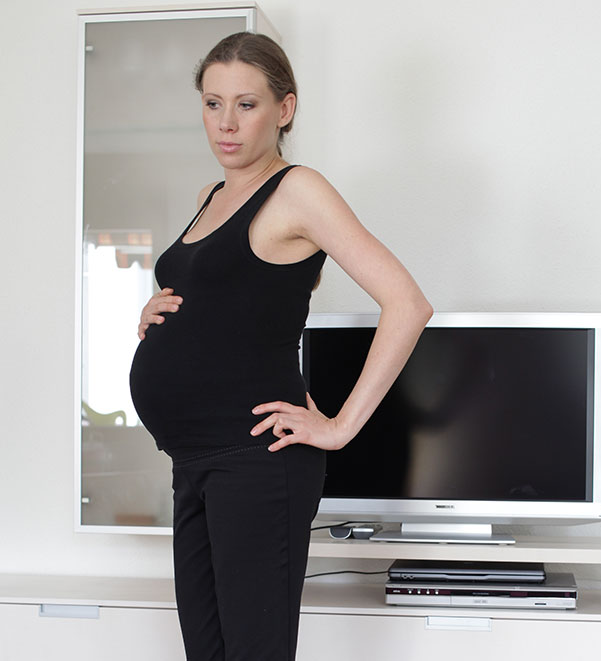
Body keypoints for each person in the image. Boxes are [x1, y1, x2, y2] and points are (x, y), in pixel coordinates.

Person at [129, 31, 432, 661]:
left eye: (246, 104)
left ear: (284, 110)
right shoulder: (209, 199)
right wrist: (156, 310)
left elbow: (407, 303)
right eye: (213, 104)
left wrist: (341, 427)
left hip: (257, 461)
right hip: (193, 462)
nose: (226, 123)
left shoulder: (298, 189)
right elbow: (231, 302)